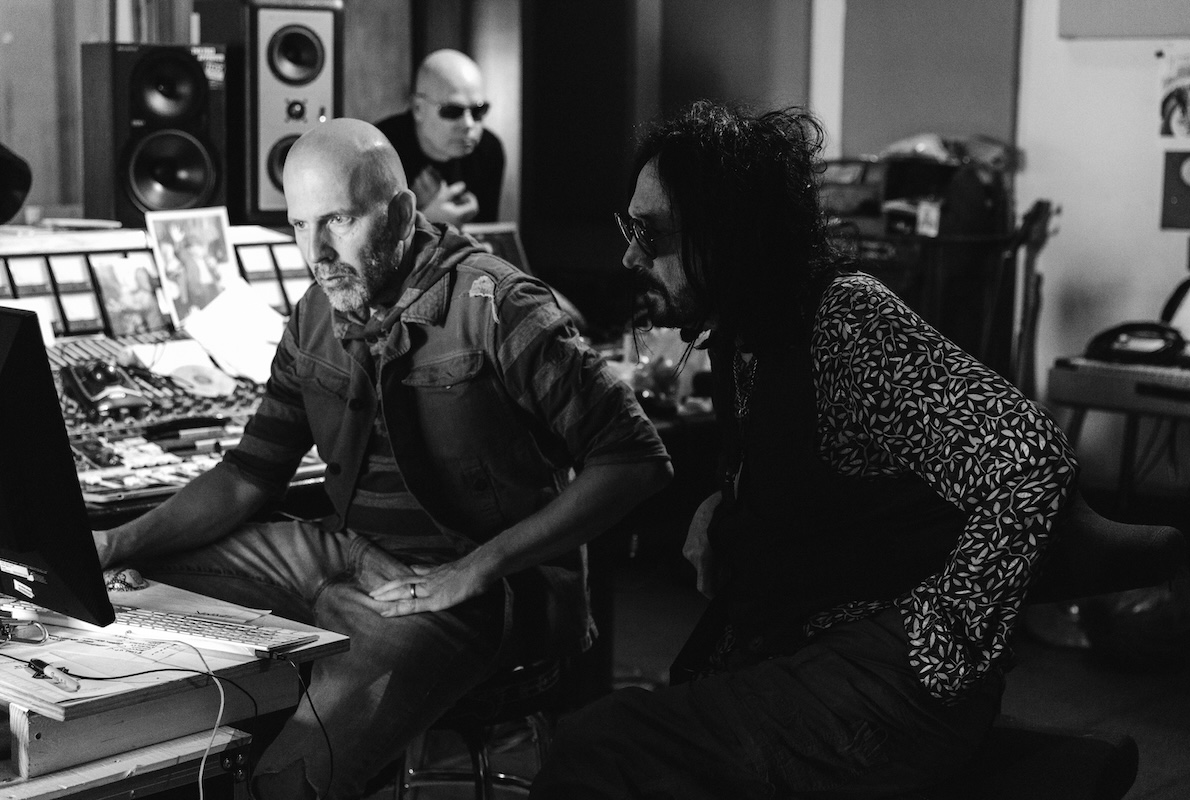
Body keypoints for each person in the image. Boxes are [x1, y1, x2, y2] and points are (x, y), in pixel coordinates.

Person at [93, 118, 672, 800]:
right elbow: (249, 476)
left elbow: (636, 460)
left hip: (474, 587)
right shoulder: (313, 312)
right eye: (299, 226)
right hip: (349, 556)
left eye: (337, 220)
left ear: (401, 213)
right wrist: (111, 542)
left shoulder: (500, 305)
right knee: (129, 584)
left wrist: (478, 567)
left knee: (289, 778)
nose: (316, 252)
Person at [529, 101, 1079, 799]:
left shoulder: (848, 323)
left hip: (883, 681)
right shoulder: (753, 324)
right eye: (627, 227)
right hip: (822, 659)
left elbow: (1028, 460)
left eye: (651, 231)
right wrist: (726, 500)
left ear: (728, 232)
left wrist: (938, 649)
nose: (631, 254)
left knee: (600, 749)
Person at [376, 49, 504, 226]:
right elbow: (369, 241)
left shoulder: (488, 150)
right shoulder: (380, 149)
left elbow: (486, 236)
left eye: (478, 110)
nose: (468, 124)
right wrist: (425, 220)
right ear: (418, 109)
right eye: (452, 111)